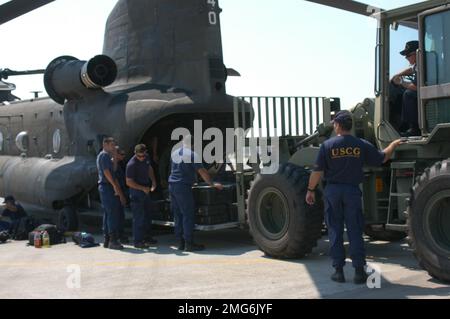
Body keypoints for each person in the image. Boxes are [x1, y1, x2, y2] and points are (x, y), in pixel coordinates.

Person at [305, 110, 402, 284]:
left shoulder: (327, 146)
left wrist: (310, 190)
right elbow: (383, 158)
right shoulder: (361, 145)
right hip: (352, 192)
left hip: (333, 192)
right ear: (349, 126)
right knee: (355, 231)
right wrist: (393, 144)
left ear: (337, 125)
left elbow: (317, 171)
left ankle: (338, 272)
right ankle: (359, 272)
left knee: (335, 230)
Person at [169, 134, 223, 252]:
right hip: (183, 187)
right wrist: (212, 184)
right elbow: (202, 172)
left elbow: (175, 170)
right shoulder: (192, 155)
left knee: (177, 215)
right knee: (188, 214)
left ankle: (180, 243)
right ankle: (189, 243)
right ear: (193, 144)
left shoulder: (175, 153)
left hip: (172, 185)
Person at [126, 144, 158, 249]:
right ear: (135, 154)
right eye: (139, 156)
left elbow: (149, 169)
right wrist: (142, 188)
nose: (142, 158)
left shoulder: (146, 158)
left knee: (148, 216)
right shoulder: (131, 164)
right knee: (138, 218)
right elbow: (129, 182)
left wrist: (153, 181)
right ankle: (138, 241)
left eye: (143, 156)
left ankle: (147, 237)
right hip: (136, 192)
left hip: (146, 191)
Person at [97, 137, 126, 250]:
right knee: (112, 213)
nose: (114, 147)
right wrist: (115, 186)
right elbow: (107, 173)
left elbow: (113, 169)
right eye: (112, 145)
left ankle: (107, 239)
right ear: (106, 144)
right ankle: (113, 240)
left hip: (107, 186)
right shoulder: (104, 155)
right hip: (107, 186)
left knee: (108, 213)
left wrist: (114, 155)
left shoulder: (108, 156)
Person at [391, 40, 420, 137]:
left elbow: (417, 87)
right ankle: (405, 125)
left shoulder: (424, 64)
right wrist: (398, 74)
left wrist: (401, 82)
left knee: (408, 94)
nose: (406, 58)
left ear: (417, 53)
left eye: (408, 55)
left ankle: (415, 129)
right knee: (404, 93)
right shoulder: (420, 62)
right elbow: (411, 69)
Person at [113, 146, 129, 244]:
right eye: (122, 154)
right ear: (117, 154)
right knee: (116, 216)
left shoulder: (121, 164)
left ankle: (120, 234)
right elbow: (115, 181)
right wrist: (121, 195)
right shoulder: (114, 165)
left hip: (122, 190)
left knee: (120, 215)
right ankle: (117, 236)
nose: (124, 156)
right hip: (116, 193)